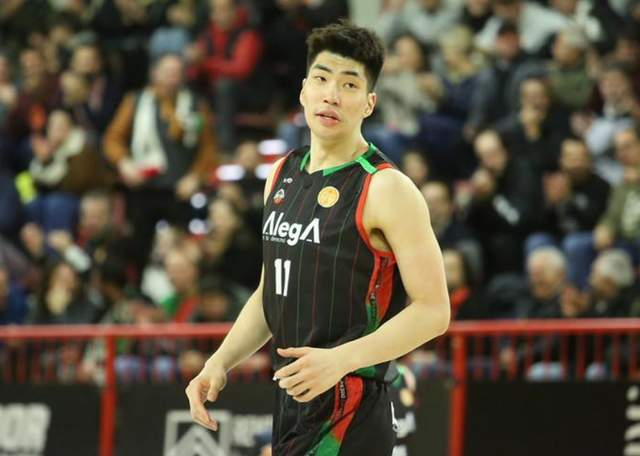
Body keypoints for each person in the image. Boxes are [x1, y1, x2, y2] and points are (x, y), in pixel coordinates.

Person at [185, 20, 450, 455]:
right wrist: (220, 361)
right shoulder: (281, 173)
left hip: (352, 410)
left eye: (349, 85)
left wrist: (341, 360)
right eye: (322, 79)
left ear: (369, 103)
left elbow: (434, 311)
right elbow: (272, 291)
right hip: (292, 405)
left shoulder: (387, 188)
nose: (332, 95)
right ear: (304, 90)